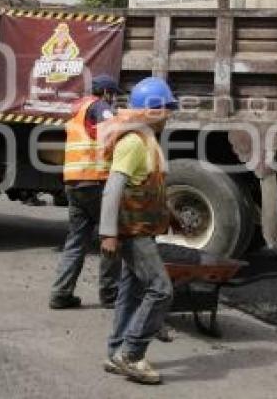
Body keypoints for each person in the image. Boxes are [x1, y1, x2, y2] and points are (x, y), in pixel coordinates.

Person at [98, 77, 177, 385]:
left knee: (130, 294)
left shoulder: (147, 140)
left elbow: (150, 186)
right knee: (161, 289)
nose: (170, 113)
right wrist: (108, 233)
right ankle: (131, 354)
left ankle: (115, 351)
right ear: (152, 110)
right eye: (166, 107)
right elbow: (113, 188)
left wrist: (171, 215)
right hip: (133, 230)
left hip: (142, 227)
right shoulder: (133, 142)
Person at [49, 74, 123, 310]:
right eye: (114, 95)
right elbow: (111, 131)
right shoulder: (100, 106)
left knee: (76, 241)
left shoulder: (77, 109)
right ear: (107, 93)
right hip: (96, 182)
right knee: (110, 236)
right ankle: (110, 294)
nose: (114, 101)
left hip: (74, 183)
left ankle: (61, 294)